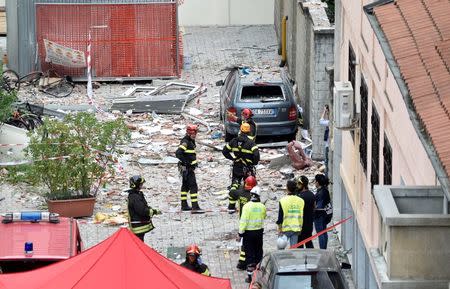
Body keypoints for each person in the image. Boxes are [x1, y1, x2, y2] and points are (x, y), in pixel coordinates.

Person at [229, 176, 257, 270]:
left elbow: (231, 193)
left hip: (243, 221)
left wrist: (235, 184)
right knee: (250, 243)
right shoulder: (254, 196)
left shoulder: (240, 192)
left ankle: (242, 263)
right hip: (254, 223)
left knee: (244, 242)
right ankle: (246, 262)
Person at [239, 186, 266, 283]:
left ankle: (250, 278)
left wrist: (240, 233)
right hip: (259, 232)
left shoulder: (246, 206)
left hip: (248, 233)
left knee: (249, 254)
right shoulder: (262, 206)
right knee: (258, 252)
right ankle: (258, 275)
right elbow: (264, 216)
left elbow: (243, 221)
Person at [222, 123, 260, 193]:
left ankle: (233, 194)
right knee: (250, 184)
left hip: (237, 166)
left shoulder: (234, 141)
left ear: (240, 130)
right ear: (249, 131)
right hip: (248, 167)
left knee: (235, 182)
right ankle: (247, 197)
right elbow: (256, 155)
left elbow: (224, 151)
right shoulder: (251, 143)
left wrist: (233, 158)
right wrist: (254, 163)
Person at [127, 175, 161, 241]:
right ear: (137, 185)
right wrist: (153, 211)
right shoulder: (135, 197)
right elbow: (142, 210)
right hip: (138, 226)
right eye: (141, 184)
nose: (142, 185)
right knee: (139, 244)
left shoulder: (136, 195)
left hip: (138, 226)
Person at [176, 124, 201, 211]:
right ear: (190, 133)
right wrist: (186, 162)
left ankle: (184, 205)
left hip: (187, 169)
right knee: (193, 187)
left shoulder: (190, 141)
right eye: (194, 134)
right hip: (188, 169)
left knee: (185, 187)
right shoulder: (186, 142)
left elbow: (189, 154)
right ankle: (195, 207)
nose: (195, 136)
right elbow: (178, 153)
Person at [276, 179, 305, 248]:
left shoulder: (282, 200)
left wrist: (280, 229)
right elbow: (301, 215)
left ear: (287, 188)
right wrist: (300, 228)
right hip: (296, 228)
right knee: (293, 250)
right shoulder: (301, 201)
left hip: (285, 229)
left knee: (281, 248)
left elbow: (280, 217)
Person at [296, 175, 315, 248]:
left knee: (299, 243)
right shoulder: (311, 194)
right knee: (308, 242)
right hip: (309, 223)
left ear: (302, 185)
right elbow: (314, 207)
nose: (297, 185)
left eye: (299, 184)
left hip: (301, 223)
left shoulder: (300, 197)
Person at [314, 173, 331, 249]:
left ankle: (322, 250)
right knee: (324, 232)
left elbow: (319, 207)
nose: (314, 183)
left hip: (319, 215)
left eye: (315, 181)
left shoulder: (321, 193)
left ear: (317, 182)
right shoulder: (325, 190)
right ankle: (324, 248)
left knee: (320, 233)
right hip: (326, 214)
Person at [320, 105, 330, 175]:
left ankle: (326, 175)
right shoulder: (329, 122)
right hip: (328, 144)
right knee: (326, 161)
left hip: (328, 145)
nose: (327, 115)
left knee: (326, 161)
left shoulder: (329, 122)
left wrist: (324, 111)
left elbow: (321, 121)